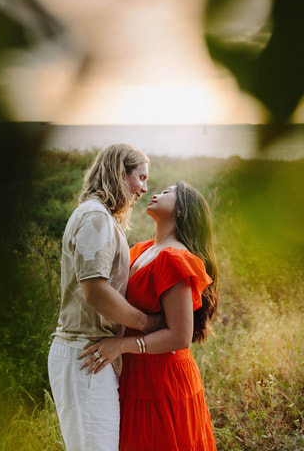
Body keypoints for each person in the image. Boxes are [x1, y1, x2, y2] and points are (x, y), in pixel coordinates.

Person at [80, 180, 218, 451]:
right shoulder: (143, 250)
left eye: (167, 193)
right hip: (138, 372)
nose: (156, 193)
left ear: (181, 211)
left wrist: (121, 346)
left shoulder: (174, 257)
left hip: (163, 380)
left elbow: (180, 337)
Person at [48, 143, 164, 451]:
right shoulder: (95, 217)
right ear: (119, 173)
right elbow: (95, 291)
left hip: (92, 356)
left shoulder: (101, 217)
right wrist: (147, 323)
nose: (144, 188)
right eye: (141, 177)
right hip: (85, 354)